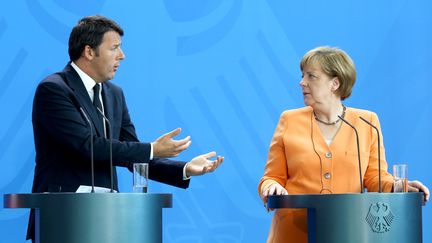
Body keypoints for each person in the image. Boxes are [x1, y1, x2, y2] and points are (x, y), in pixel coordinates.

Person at [27, 15, 224, 241]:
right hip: (61, 217)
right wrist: (152, 148)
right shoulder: (54, 89)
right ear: (89, 52)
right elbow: (87, 146)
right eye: (114, 48)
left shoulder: (114, 94)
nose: (122, 56)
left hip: (105, 219)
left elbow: (132, 155)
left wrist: (185, 168)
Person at [258, 46, 429, 243]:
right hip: (292, 234)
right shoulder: (289, 120)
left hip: (347, 233)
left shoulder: (366, 122)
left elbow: (375, 179)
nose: (302, 82)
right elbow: (271, 177)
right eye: (302, 75)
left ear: (335, 83)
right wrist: (271, 187)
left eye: (311, 76)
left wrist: (401, 187)